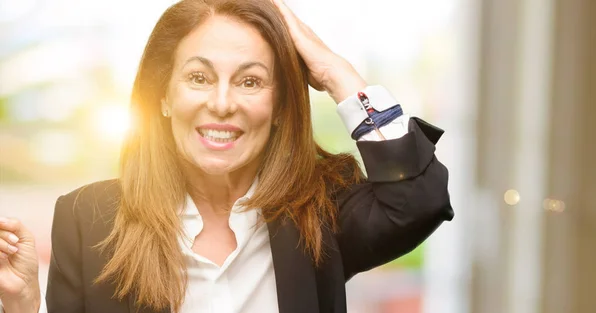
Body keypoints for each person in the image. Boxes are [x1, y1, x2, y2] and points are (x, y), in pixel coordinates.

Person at [0, 0, 454, 312]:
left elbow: (418, 200)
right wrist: (20, 307)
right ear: (163, 96)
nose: (221, 102)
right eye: (198, 77)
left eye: (250, 81)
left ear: (279, 108)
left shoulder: (319, 213)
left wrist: (337, 73)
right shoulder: (87, 218)